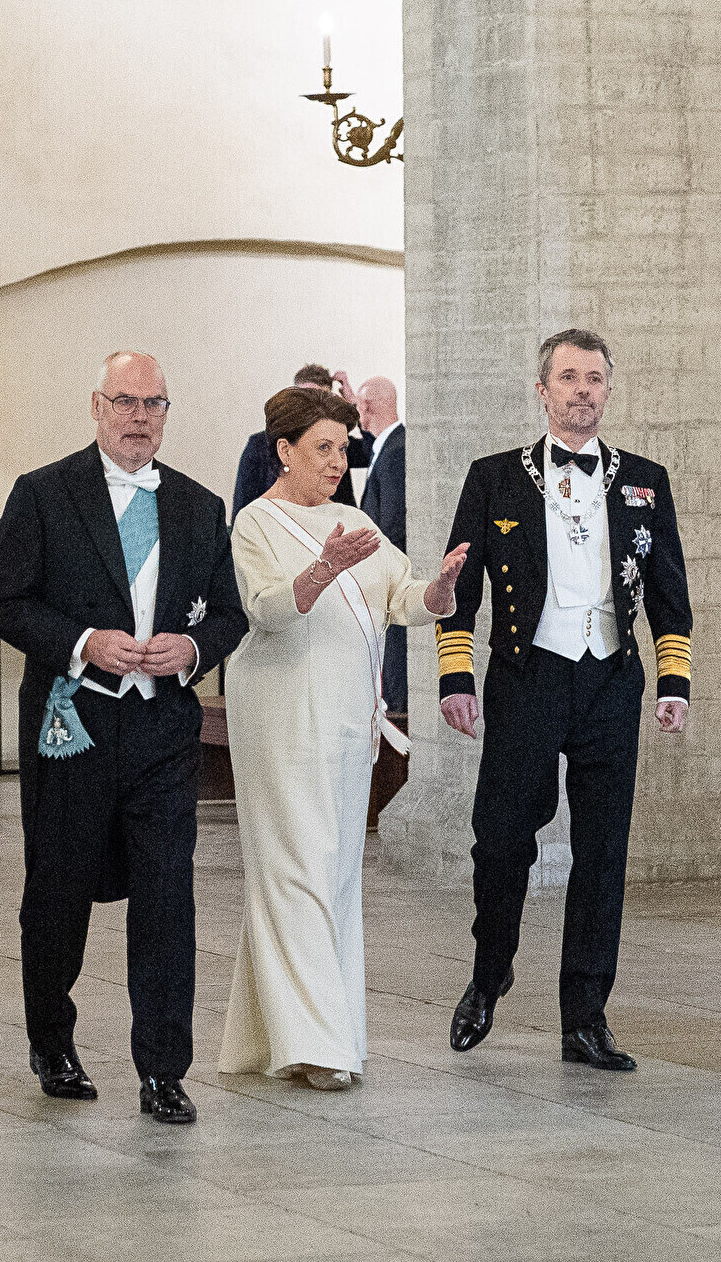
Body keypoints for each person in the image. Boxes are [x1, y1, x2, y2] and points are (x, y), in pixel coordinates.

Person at [0, 351, 249, 1124]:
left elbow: (228, 614)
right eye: (125, 402)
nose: (139, 417)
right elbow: (7, 604)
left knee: (166, 899)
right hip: (71, 726)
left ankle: (163, 1070)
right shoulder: (42, 493)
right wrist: (83, 642)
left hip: (163, 731)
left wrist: (192, 649)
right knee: (58, 893)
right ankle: (51, 1041)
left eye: (153, 404)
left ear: (167, 413)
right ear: (96, 406)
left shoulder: (199, 506)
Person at [436, 328, 691, 1069]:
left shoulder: (645, 479)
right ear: (542, 390)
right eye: (569, 377)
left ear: (608, 389)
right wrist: (455, 677)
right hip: (527, 675)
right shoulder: (493, 477)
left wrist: (672, 680)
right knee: (501, 841)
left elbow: (669, 591)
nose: (583, 390)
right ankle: (490, 971)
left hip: (610, 677)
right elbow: (459, 588)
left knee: (603, 853)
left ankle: (585, 1017)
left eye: (595, 378)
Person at [219, 385, 463, 1088]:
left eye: (341, 448)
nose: (336, 461)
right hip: (280, 717)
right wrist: (323, 569)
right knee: (293, 868)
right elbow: (266, 611)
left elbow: (400, 597)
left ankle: (276, 1036)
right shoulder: (255, 524)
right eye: (321, 448)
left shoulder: (354, 519)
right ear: (284, 450)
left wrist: (439, 591)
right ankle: (321, 1045)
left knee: (332, 873)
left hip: (348, 722)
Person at [233, 362, 373, 513]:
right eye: (305, 399)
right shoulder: (261, 444)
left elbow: (376, 452)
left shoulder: (339, 443)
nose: (313, 407)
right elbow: (243, 505)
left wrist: (354, 404)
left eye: (321, 399)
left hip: (339, 522)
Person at [354, 375, 407, 712]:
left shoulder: (396, 451)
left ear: (366, 406)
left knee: (394, 670)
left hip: (389, 581)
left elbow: (391, 526)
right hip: (385, 578)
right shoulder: (389, 446)